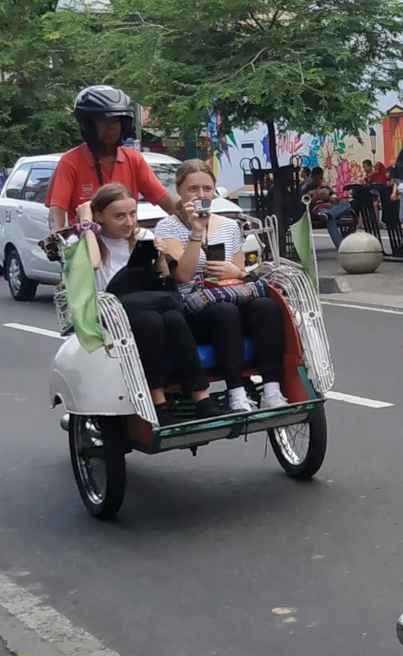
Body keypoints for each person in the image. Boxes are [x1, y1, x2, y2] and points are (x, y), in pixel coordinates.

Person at [153, 160, 289, 414]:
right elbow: (182, 275)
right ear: (179, 190)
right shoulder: (168, 227)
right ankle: (236, 391)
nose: (200, 195)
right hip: (194, 308)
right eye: (193, 189)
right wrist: (196, 232)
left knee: (265, 307)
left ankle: (272, 389)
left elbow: (238, 275)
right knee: (224, 311)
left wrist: (234, 271)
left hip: (227, 294)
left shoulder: (227, 225)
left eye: (206, 188)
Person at [89, 183, 227, 419]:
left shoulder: (143, 236)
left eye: (132, 214)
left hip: (147, 302)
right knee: (150, 321)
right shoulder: (89, 243)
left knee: (172, 317)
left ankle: (201, 397)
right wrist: (87, 225)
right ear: (99, 216)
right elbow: (92, 263)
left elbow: (162, 280)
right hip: (113, 313)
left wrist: (160, 257)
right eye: (119, 216)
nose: (129, 222)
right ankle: (157, 401)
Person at [46, 85, 181, 234]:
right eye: (105, 121)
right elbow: (56, 211)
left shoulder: (133, 159)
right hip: (88, 245)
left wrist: (192, 223)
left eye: (116, 122)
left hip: (126, 245)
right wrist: (55, 235)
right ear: (89, 126)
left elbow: (167, 203)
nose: (112, 127)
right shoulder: (70, 161)